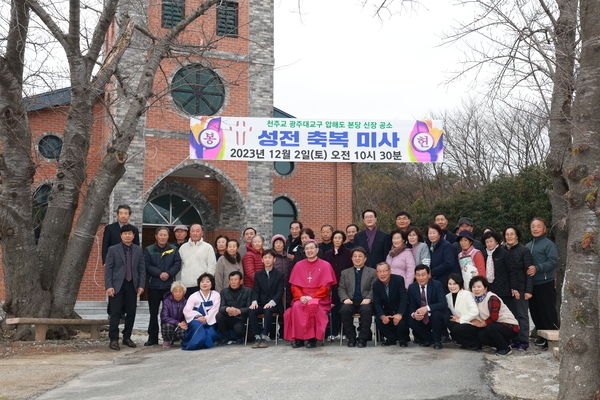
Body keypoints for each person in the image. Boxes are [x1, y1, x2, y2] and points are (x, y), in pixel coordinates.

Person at [284, 240, 337, 348]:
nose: (309, 251)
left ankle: (312, 338)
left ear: (317, 250)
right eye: (307, 249)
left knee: (313, 305)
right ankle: (298, 338)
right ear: (304, 251)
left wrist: (312, 297)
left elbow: (326, 287)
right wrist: (301, 296)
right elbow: (294, 286)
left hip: (320, 297)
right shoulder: (298, 265)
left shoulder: (325, 265)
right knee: (296, 306)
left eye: (312, 248)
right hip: (301, 296)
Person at [104, 224, 146, 351]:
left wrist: (141, 285)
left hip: (132, 284)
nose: (127, 236)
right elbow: (108, 269)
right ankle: (114, 339)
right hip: (117, 285)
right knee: (115, 312)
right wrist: (109, 286)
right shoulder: (113, 249)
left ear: (133, 236)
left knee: (131, 312)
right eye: (125, 234)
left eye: (130, 234)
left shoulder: (138, 250)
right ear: (121, 235)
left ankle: (127, 337)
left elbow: (141, 269)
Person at [144, 227, 182, 347]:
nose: (163, 237)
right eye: (160, 235)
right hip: (154, 285)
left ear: (168, 236)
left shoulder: (174, 249)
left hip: (168, 286)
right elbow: (147, 265)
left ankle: (170, 337)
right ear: (156, 236)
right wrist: (159, 273)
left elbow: (177, 263)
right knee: (153, 313)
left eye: (165, 235)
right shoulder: (149, 249)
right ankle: (153, 337)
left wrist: (169, 273)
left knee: (170, 313)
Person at [526, 218, 559, 349]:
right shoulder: (528, 246)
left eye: (538, 226)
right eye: (533, 226)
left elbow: (553, 261)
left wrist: (538, 268)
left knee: (548, 311)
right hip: (531, 284)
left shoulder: (549, 244)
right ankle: (541, 336)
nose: (535, 228)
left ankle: (552, 338)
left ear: (544, 229)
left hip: (545, 282)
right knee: (535, 311)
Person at [469, 275, 519, 356]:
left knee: (490, 327)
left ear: (485, 288)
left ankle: (505, 348)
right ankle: (503, 344)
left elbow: (493, 318)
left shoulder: (492, 298)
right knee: (481, 335)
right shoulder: (476, 300)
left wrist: (481, 324)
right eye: (473, 287)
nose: (476, 289)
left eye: (479, 286)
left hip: (510, 326)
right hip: (496, 326)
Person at [338, 247, 377, 348]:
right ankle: (351, 337)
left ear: (365, 259)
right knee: (344, 310)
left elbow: (374, 288)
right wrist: (345, 298)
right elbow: (341, 288)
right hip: (350, 301)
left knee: (367, 310)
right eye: (355, 256)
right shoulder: (345, 272)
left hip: (365, 301)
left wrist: (369, 298)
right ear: (351, 258)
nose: (357, 258)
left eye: (360, 256)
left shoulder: (372, 272)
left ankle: (363, 338)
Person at [503, 226, 534, 351]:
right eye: (507, 234)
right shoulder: (503, 250)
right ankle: (514, 338)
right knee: (511, 315)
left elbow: (529, 272)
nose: (509, 236)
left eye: (512, 234)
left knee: (522, 315)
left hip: (521, 288)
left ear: (517, 236)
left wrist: (528, 290)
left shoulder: (524, 250)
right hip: (508, 288)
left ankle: (523, 340)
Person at [407, 264, 448, 350]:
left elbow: (443, 303)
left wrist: (427, 308)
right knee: (409, 318)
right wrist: (414, 314)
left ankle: (437, 340)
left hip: (434, 316)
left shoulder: (437, 284)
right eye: (418, 275)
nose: (421, 278)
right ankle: (428, 338)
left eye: (423, 275)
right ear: (415, 276)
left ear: (429, 275)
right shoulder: (412, 287)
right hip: (421, 318)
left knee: (436, 314)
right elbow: (411, 306)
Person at [249, 250, 284, 348]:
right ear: (262, 260)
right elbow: (255, 290)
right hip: (261, 303)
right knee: (252, 311)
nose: (267, 260)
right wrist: (254, 301)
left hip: (274, 304)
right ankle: (257, 337)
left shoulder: (280, 274)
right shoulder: (258, 274)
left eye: (269, 257)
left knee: (268, 310)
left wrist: (272, 302)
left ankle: (264, 337)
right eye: (265, 258)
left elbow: (280, 292)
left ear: (274, 259)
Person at [324, 230, 353, 340]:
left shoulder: (349, 252)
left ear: (343, 240)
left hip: (344, 284)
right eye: (335, 238)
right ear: (332, 239)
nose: (337, 240)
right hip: (331, 285)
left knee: (344, 307)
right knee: (332, 308)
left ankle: (345, 331)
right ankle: (333, 331)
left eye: (339, 238)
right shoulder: (327, 254)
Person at [373, 262, 409, 347]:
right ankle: (391, 338)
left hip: (399, 310)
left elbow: (404, 298)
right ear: (376, 273)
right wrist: (382, 316)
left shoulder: (399, 280)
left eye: (385, 271)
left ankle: (402, 339)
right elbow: (377, 303)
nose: (382, 274)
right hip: (387, 312)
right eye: (379, 271)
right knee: (378, 319)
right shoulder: (376, 285)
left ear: (390, 271)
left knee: (402, 320)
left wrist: (399, 314)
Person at [181, 273, 221, 350]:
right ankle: (193, 344)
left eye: (207, 281)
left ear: (212, 283)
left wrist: (206, 318)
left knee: (212, 334)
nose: (204, 283)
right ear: (199, 284)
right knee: (198, 326)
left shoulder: (216, 295)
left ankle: (197, 342)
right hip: (196, 320)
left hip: (210, 321)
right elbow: (187, 310)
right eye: (202, 282)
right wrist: (198, 317)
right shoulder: (193, 296)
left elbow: (215, 309)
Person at [178, 224, 216, 298]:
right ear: (190, 233)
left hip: (202, 285)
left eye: (197, 231)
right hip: (186, 285)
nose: (195, 233)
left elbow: (212, 265)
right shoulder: (183, 247)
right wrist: (179, 283)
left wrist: (207, 282)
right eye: (193, 231)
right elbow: (179, 266)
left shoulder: (208, 247)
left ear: (202, 233)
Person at [445, 273, 481, 350]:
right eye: (450, 284)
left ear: (460, 284)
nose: (452, 286)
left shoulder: (467, 294)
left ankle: (476, 343)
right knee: (450, 323)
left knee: (456, 328)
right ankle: (466, 343)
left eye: (455, 284)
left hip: (473, 323)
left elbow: (475, 311)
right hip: (461, 323)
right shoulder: (448, 296)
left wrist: (461, 319)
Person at [217, 271, 252, 345]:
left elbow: (250, 307)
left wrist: (240, 311)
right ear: (229, 281)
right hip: (228, 316)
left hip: (241, 317)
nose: (233, 282)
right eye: (231, 280)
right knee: (219, 315)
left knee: (239, 329)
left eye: (236, 280)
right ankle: (225, 337)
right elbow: (221, 307)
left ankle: (239, 338)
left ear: (241, 281)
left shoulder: (248, 291)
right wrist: (227, 309)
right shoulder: (223, 292)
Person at [482, 231, 515, 304]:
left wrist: (513, 287)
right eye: (487, 242)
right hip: (490, 289)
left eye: (491, 241)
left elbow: (512, 271)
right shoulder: (484, 254)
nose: (489, 244)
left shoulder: (504, 253)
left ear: (496, 241)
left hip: (504, 289)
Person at [426, 224, 459, 291]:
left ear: (439, 234)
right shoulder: (431, 246)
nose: (432, 235)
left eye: (434, 233)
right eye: (430, 233)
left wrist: (432, 272)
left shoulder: (446, 245)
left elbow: (449, 263)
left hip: (448, 281)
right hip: (438, 280)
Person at [160, 281, 188, 348]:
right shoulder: (166, 301)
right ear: (172, 292)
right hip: (170, 325)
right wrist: (177, 323)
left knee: (186, 327)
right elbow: (164, 317)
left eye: (180, 291)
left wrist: (184, 322)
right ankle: (167, 340)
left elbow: (188, 315)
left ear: (184, 293)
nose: (178, 293)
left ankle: (182, 340)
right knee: (167, 326)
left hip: (181, 325)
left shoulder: (186, 302)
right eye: (175, 291)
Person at [271, 234, 292, 307]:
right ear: (273, 245)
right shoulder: (271, 257)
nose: (278, 245)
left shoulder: (288, 258)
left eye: (280, 243)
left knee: (286, 305)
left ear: (284, 245)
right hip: (274, 286)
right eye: (276, 243)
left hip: (286, 285)